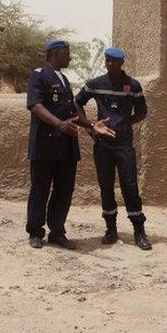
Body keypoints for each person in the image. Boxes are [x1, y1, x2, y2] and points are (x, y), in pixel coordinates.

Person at [25, 39, 114, 250]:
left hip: (66, 147)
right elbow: (35, 106)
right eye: (66, 53)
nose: (70, 57)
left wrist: (92, 125)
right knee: (40, 189)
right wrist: (58, 124)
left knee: (64, 190)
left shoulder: (64, 79)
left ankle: (57, 232)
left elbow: (73, 113)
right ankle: (36, 232)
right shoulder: (38, 75)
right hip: (45, 145)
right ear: (54, 53)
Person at [75, 47, 152, 249]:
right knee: (106, 186)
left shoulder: (133, 85)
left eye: (114, 61)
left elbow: (142, 112)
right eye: (107, 60)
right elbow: (76, 102)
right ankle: (111, 230)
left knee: (130, 186)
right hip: (103, 146)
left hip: (124, 145)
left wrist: (125, 124)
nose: (110, 64)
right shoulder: (96, 84)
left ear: (121, 63)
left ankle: (139, 231)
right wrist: (91, 127)